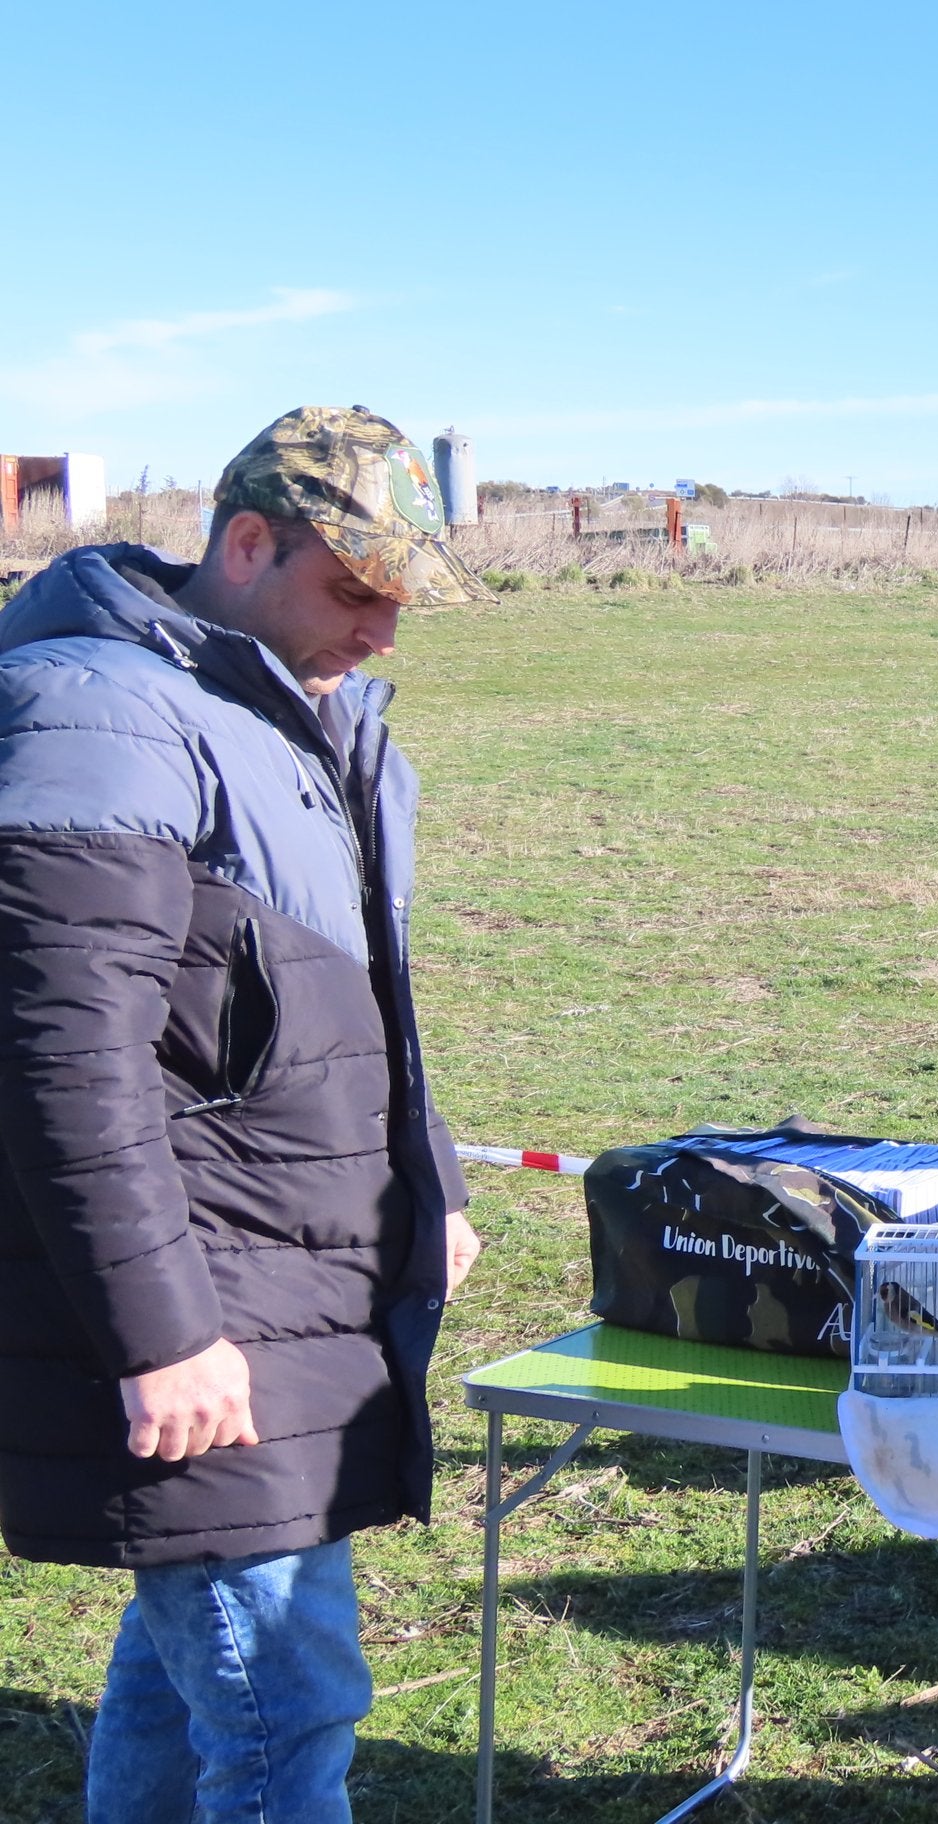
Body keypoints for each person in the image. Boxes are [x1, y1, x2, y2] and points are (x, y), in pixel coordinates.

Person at [0, 406, 492, 1822]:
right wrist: (164, 1336)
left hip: (288, 1273)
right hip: (208, 1297)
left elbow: (356, 996)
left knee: (187, 1671)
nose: (383, 633)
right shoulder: (100, 711)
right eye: (356, 591)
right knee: (285, 1700)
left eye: (400, 599)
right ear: (246, 542)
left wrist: (431, 1180)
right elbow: (59, 1060)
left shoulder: (306, 711)